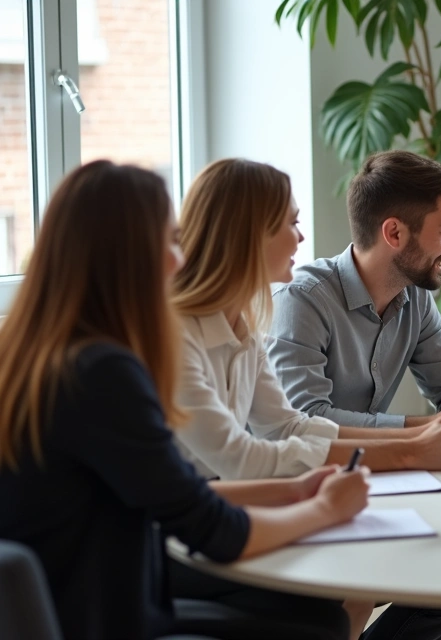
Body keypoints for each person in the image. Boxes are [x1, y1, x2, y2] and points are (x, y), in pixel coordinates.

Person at [0, 160, 371, 640]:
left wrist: (295, 490)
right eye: (170, 241)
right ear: (127, 256)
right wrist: (325, 510)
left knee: (318, 618)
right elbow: (210, 529)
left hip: (70, 600)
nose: (180, 260)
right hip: (103, 617)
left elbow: (174, 496)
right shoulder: (104, 373)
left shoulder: (40, 354)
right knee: (316, 625)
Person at [170, 158, 441, 639]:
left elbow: (289, 426)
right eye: (290, 223)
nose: (301, 237)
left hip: (233, 505)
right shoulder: (175, 332)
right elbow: (240, 457)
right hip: (171, 533)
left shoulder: (245, 322)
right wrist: (412, 445)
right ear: (247, 234)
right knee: (334, 602)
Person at [267, 151, 441, 462]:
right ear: (394, 233)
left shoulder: (415, 296)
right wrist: (427, 427)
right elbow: (306, 421)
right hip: (292, 484)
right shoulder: (301, 301)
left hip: (368, 476)